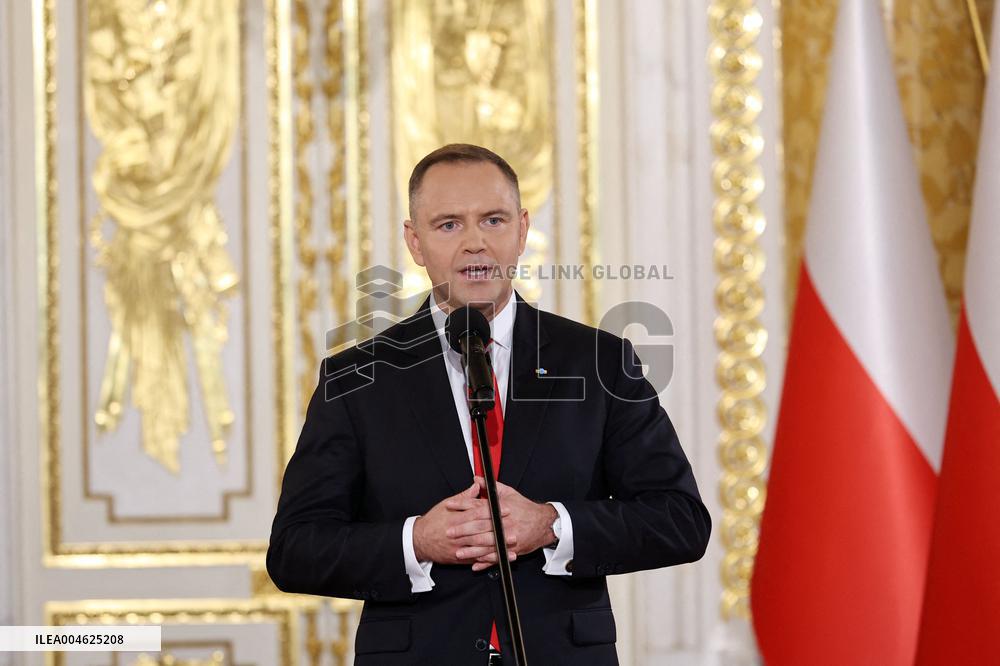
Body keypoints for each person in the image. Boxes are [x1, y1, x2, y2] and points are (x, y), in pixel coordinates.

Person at [266, 144, 711, 665]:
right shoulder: (358, 377)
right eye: (449, 225)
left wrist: (551, 525)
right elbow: (296, 548)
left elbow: (680, 520)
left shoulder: (600, 361)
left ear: (522, 230)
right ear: (415, 241)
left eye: (493, 220)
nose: (475, 243)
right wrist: (417, 541)